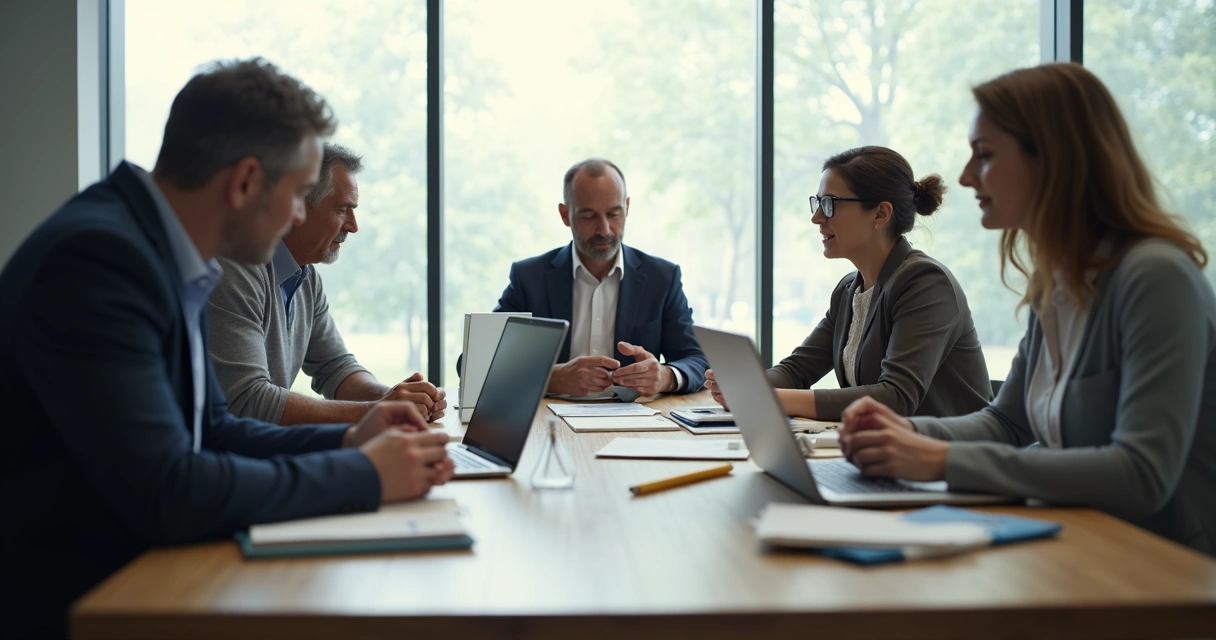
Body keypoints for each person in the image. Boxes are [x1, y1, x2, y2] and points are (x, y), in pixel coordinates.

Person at [0, 58, 454, 637]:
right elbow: (171, 489)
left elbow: (212, 427)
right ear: (243, 183)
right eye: (296, 194)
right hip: (77, 602)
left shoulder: (158, 251)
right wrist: (363, 474)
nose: (298, 214)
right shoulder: (102, 262)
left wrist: (348, 437)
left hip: (139, 574)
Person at [838, 63, 1216, 556]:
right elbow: (1007, 424)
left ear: (1057, 159)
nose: (966, 176)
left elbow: (1141, 473)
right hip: (1080, 544)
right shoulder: (1054, 283)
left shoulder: (1155, 276)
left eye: (986, 155)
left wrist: (942, 460)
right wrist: (904, 433)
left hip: (1163, 570)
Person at [707, 146, 991, 421]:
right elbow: (797, 371)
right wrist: (744, 384)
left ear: (880, 214)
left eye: (829, 204)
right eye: (817, 202)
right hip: (887, 458)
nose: (816, 217)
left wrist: (763, 396)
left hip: (952, 463)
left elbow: (896, 398)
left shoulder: (926, 283)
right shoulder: (848, 291)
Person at [208, 143, 446, 426]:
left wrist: (396, 398)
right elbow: (248, 401)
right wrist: (379, 410)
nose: (353, 225)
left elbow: (335, 368)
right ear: (299, 204)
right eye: (342, 210)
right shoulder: (236, 268)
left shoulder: (305, 276)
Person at [489, 158, 709, 397]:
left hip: (637, 422)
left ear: (627, 207)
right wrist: (551, 378)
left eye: (614, 214)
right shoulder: (529, 278)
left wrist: (664, 377)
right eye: (588, 217)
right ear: (565, 215)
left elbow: (697, 360)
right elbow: (475, 364)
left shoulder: (662, 278)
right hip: (551, 421)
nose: (604, 230)